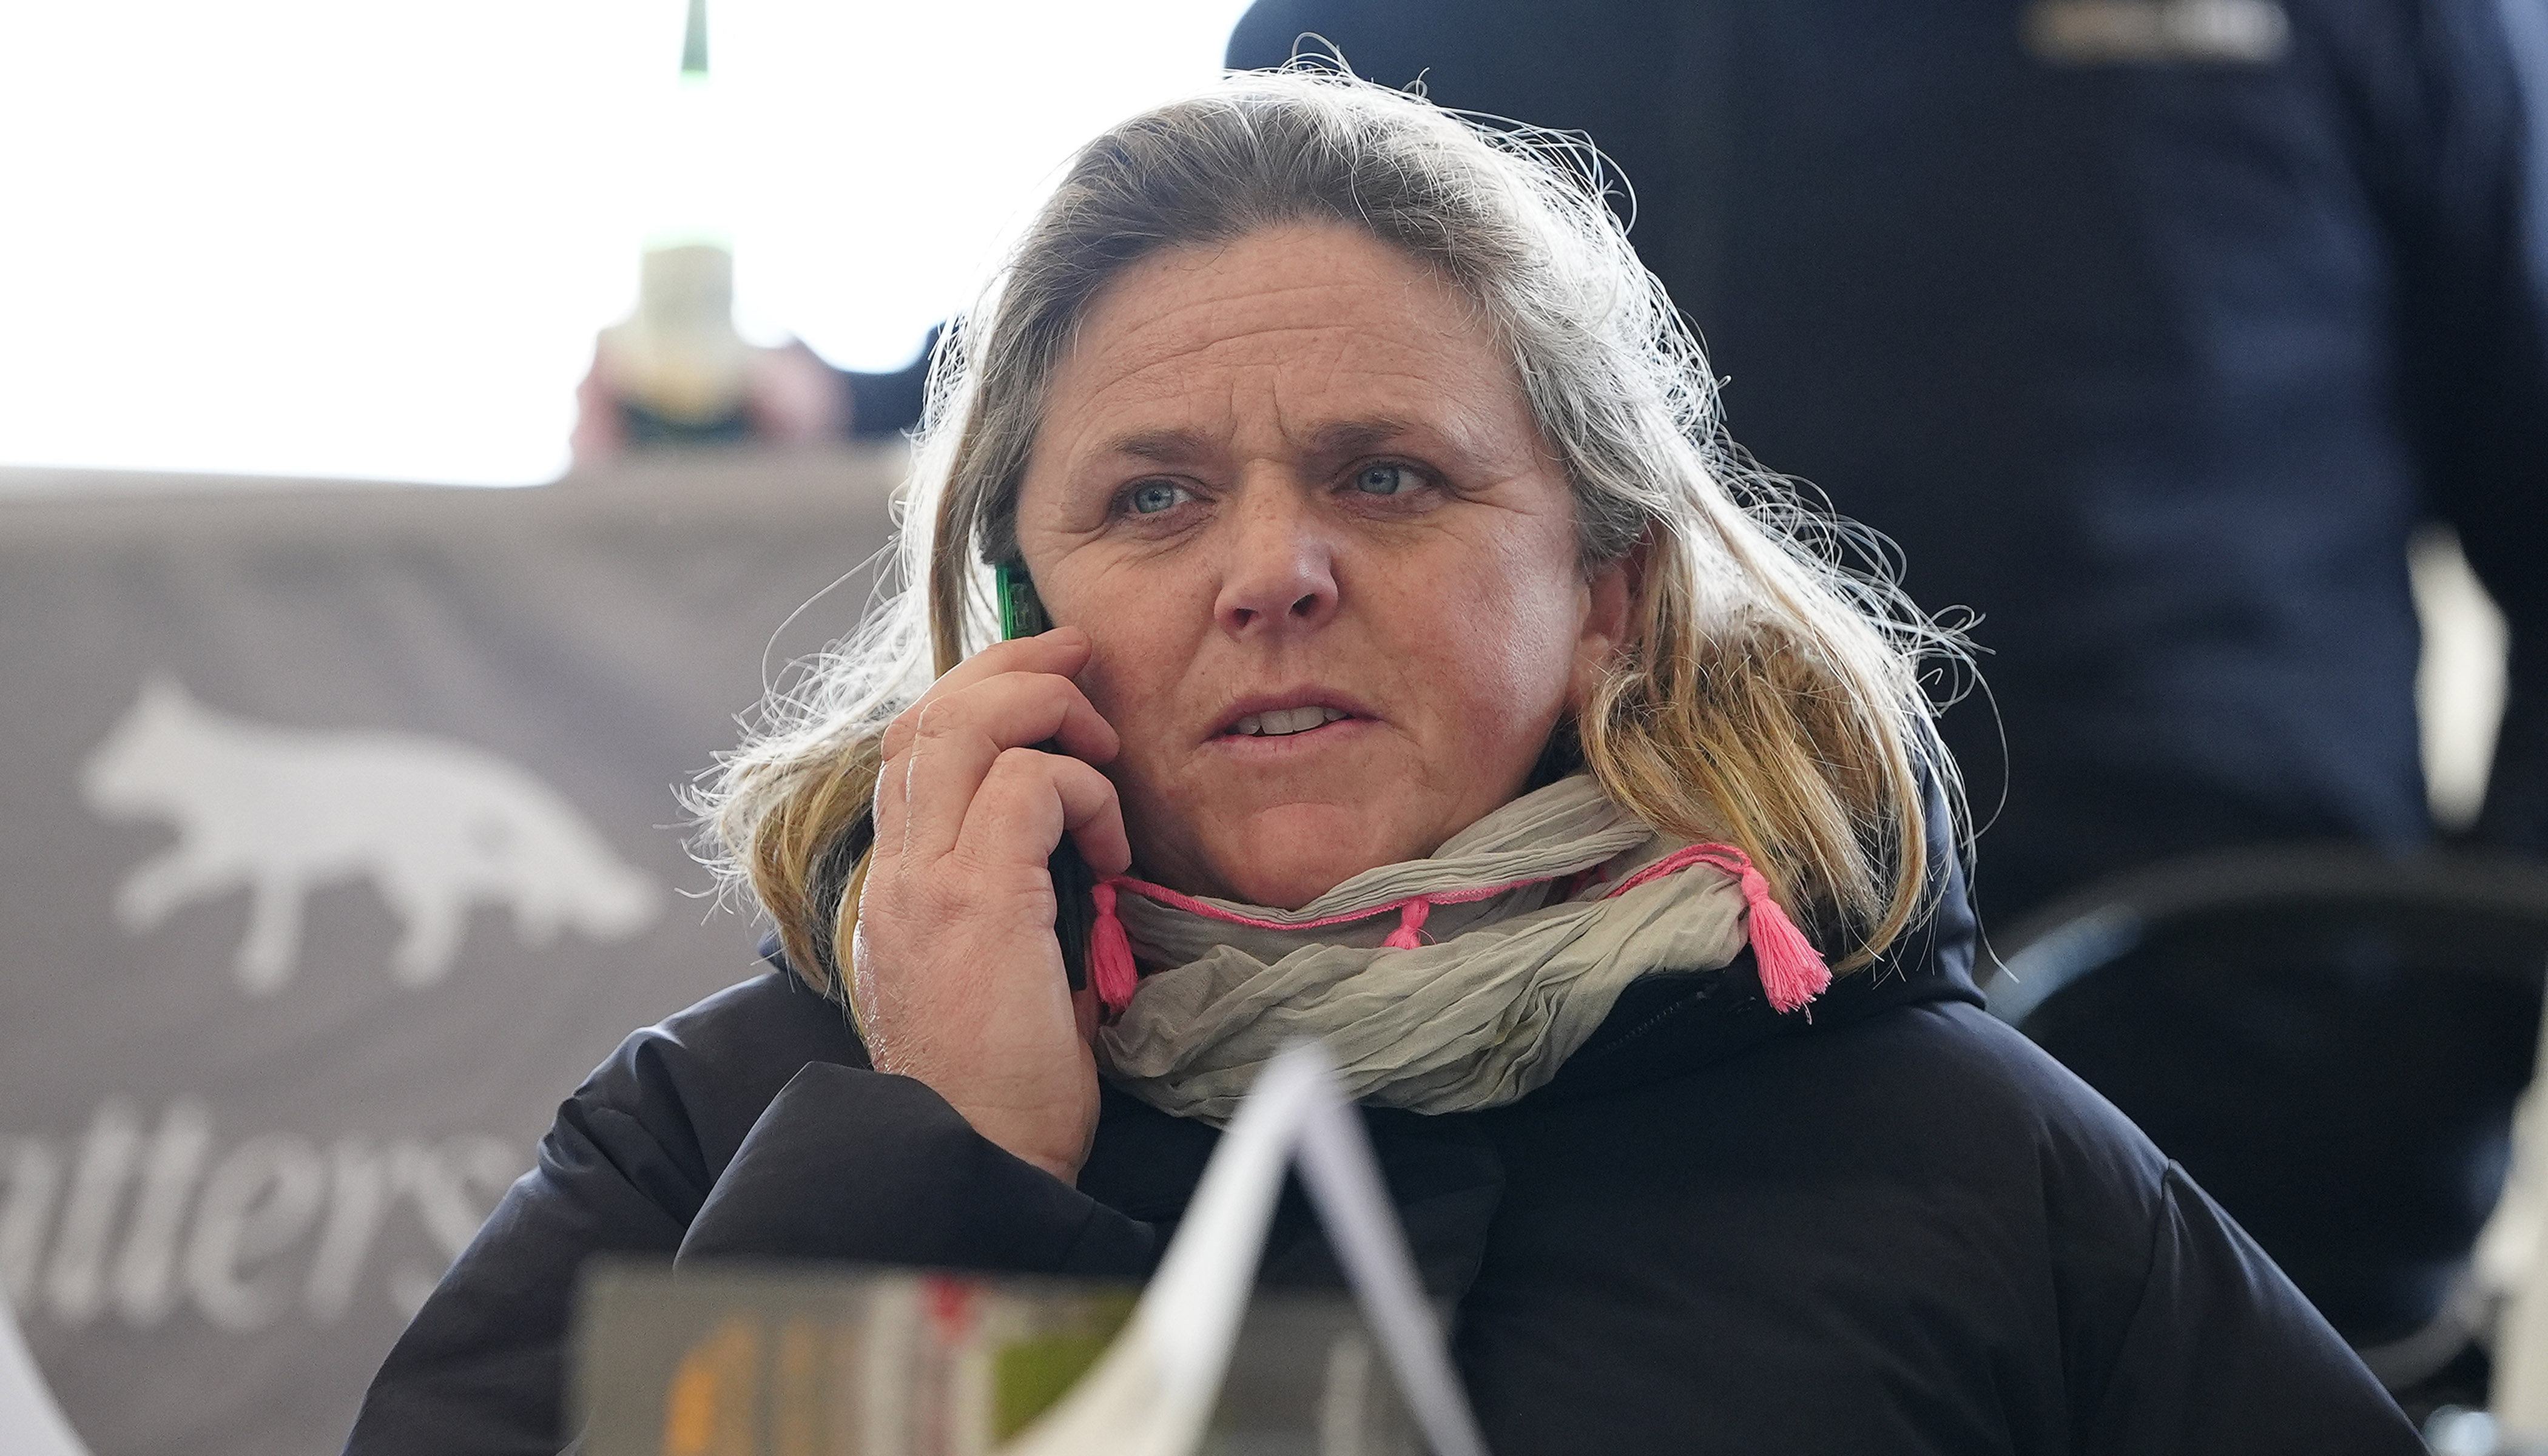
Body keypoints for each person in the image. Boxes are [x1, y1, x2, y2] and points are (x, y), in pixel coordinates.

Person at [347, 72, 2419, 1453]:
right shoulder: (734, 1128)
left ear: (1610, 592)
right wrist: (939, 1176)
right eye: (1155, 498)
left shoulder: (1967, 1159)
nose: (1274, 572)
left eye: (1390, 477)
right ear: (1014, 614)